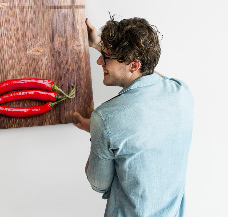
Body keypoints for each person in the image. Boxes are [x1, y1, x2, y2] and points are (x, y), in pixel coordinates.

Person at [73, 17, 194, 216]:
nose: (99, 61)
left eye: (106, 57)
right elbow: (150, 77)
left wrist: (97, 131)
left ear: (134, 65)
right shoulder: (181, 92)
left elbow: (98, 184)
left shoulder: (105, 118)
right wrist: (98, 45)